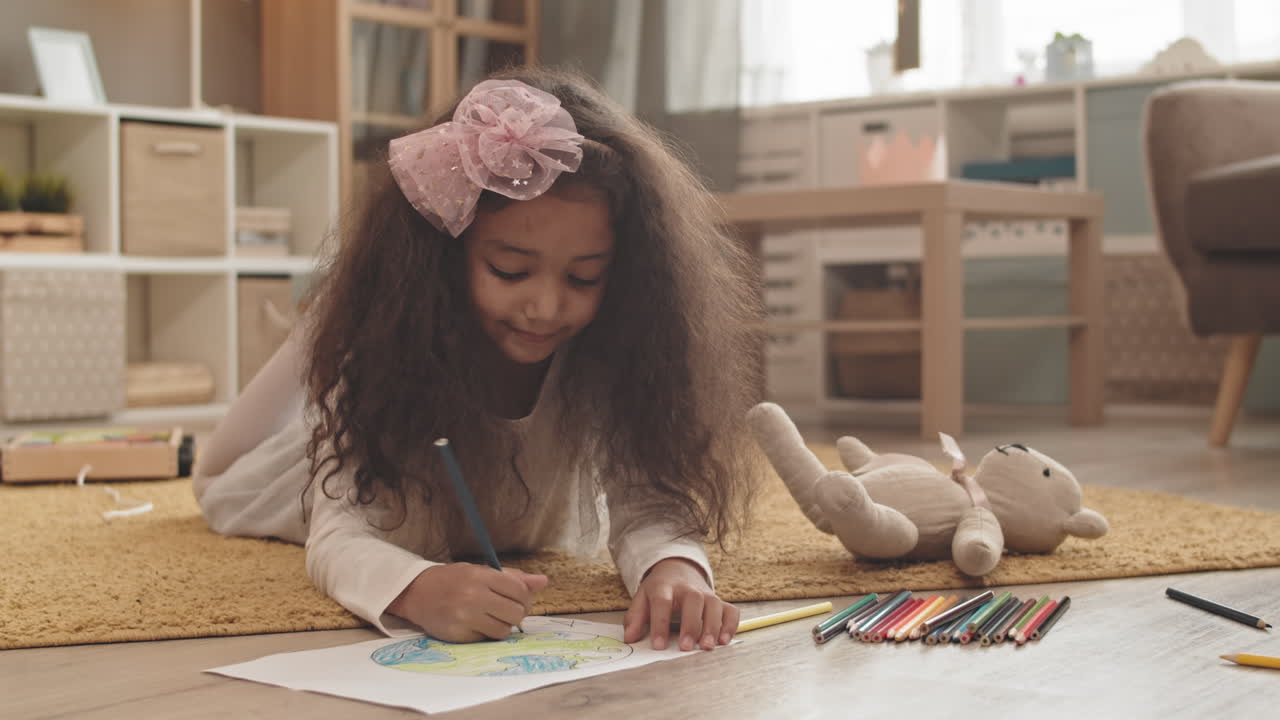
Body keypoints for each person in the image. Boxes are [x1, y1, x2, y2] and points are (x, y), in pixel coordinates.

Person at [193, 67, 762, 652]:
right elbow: (339, 537)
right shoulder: (390, 356)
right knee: (218, 477)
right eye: (510, 271)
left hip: (496, 519)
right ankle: (325, 320)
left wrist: (675, 568)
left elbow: (649, 499)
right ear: (443, 259)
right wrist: (417, 589)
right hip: (298, 474)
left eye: (584, 277)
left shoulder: (609, 344)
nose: (546, 308)